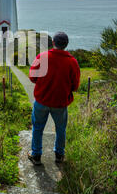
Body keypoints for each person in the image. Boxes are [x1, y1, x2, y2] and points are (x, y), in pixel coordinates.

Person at [28, 31, 80, 165]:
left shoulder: (42, 56)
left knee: (38, 128)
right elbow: (75, 86)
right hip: (60, 103)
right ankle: (59, 155)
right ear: (66, 45)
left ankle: (36, 156)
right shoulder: (72, 62)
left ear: (53, 43)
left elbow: (33, 77)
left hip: (41, 101)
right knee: (61, 129)